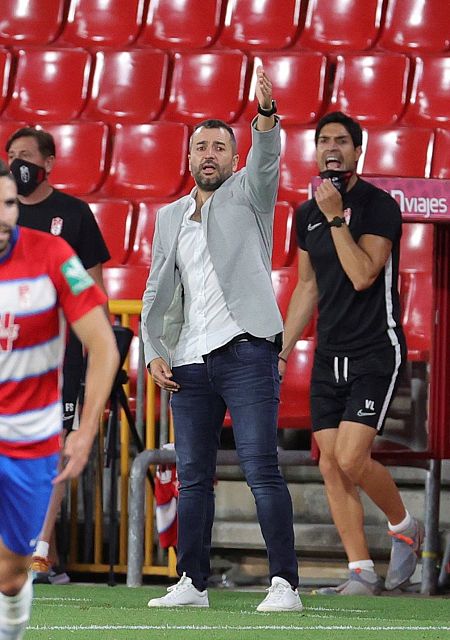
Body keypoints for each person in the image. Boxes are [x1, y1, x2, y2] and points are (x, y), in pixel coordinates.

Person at [142, 65, 301, 612]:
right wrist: (153, 352)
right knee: (192, 479)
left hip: (248, 350)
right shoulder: (169, 217)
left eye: (218, 147)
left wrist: (264, 118)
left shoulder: (252, 195)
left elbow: (268, 157)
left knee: (260, 467)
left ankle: (285, 583)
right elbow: (156, 293)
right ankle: (192, 582)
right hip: (188, 360)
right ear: (188, 159)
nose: (209, 154)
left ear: (233, 159)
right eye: (200, 147)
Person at [279, 111, 424, 595]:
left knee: (350, 456)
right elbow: (306, 286)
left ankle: (405, 525)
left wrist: (336, 216)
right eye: (323, 141)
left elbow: (363, 273)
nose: (331, 148)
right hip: (329, 353)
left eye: (341, 140)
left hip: (374, 350)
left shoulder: (378, 206)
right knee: (328, 462)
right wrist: (280, 351)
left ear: (359, 151)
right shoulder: (305, 215)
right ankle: (360, 570)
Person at [0, 162, 119, 640]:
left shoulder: (51, 255)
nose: (3, 215)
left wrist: (85, 429)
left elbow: (103, 346)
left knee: (10, 574)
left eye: (9, 204)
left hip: (31, 439)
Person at [5, 127, 111, 583]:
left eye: (26, 156)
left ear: (48, 162)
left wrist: (87, 424)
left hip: (55, 360)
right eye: (11, 156)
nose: (18, 164)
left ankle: (39, 549)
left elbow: (96, 296)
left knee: (47, 455)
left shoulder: (69, 219)